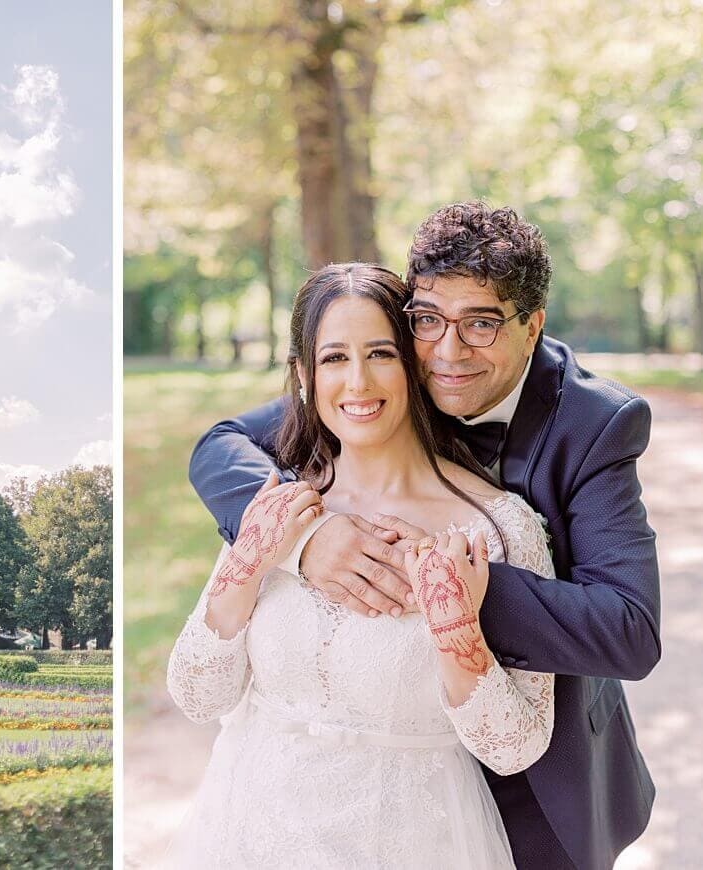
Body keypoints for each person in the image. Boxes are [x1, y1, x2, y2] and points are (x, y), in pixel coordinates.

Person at [188, 203, 659, 869]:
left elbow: (629, 630)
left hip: (538, 786)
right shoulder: (375, 374)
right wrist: (307, 541)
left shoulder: (595, 425)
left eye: (483, 324)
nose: (446, 352)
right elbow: (221, 446)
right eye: (428, 321)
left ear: (533, 328)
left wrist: (456, 584)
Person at [168, 263, 556, 868]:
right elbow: (198, 695)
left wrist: (457, 632)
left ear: (413, 363)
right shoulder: (279, 510)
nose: (358, 381)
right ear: (302, 375)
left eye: (380, 353)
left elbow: (516, 747)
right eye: (333, 359)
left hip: (410, 839)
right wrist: (250, 561)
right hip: (251, 828)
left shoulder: (500, 527)